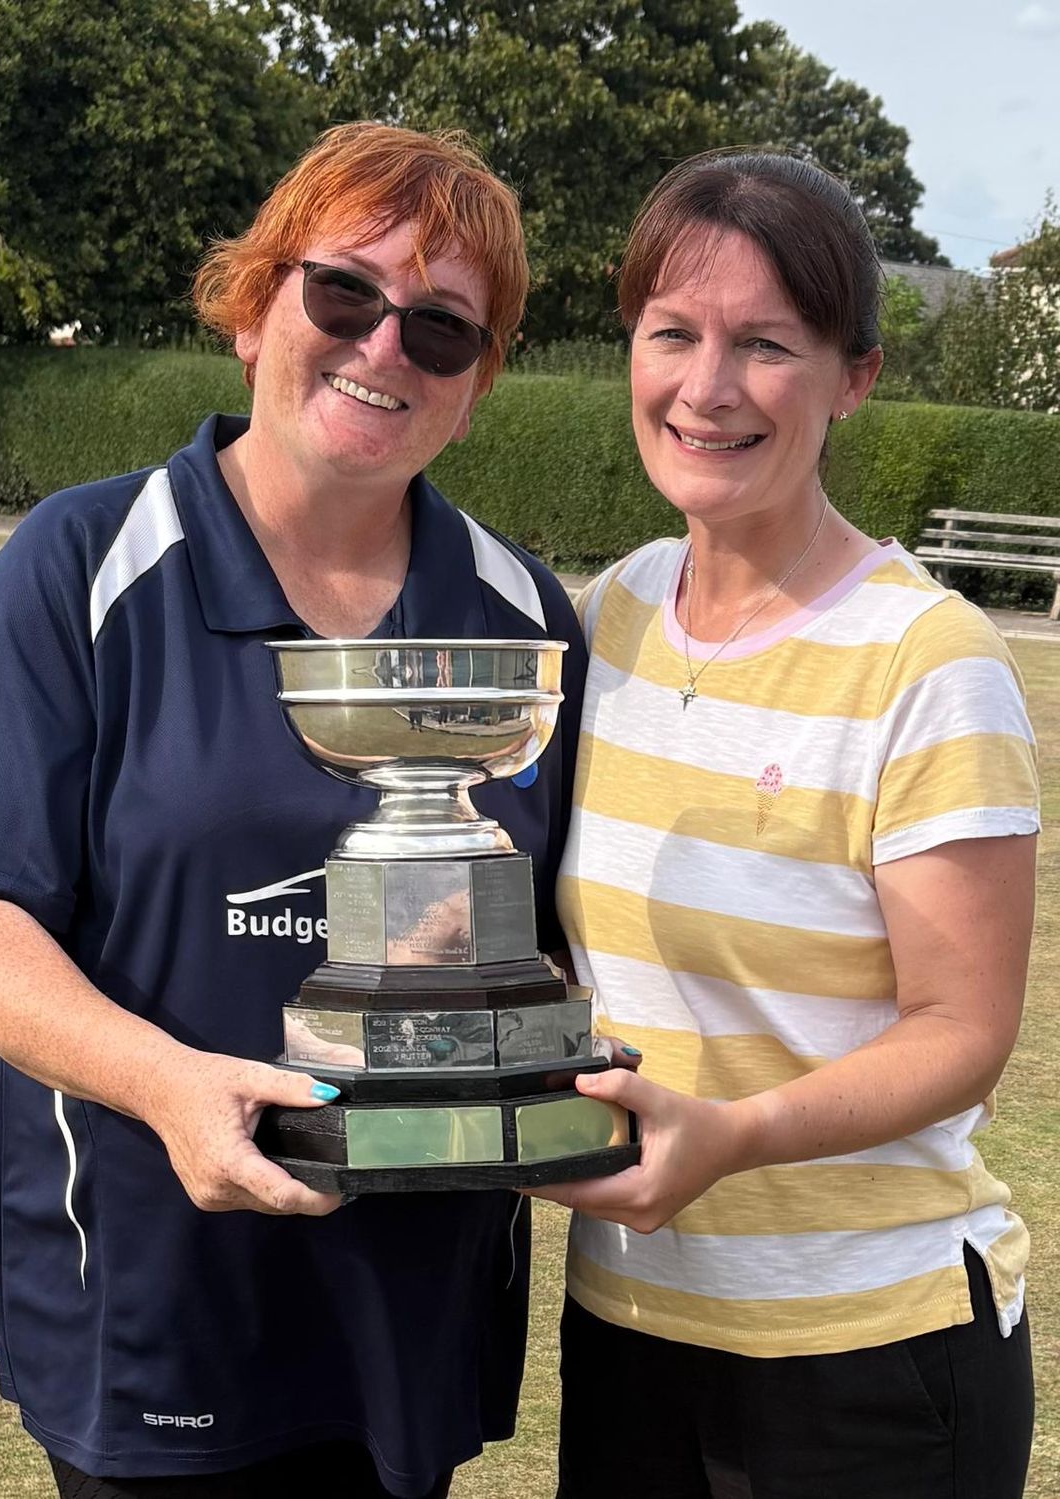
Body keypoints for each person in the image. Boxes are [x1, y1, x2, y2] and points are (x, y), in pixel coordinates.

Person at [0, 122, 588, 1499]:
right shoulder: (77, 563)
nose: (385, 350)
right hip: (154, 1295)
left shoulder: (523, 618)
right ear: (257, 306)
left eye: (443, 332)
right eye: (345, 295)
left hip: (406, 1306)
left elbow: (559, 933)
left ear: (475, 387)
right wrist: (168, 1087)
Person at [532, 152, 1040, 1498]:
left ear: (851, 378)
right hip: (632, 1323)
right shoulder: (609, 615)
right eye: (673, 334)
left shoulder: (928, 658)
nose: (707, 388)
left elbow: (964, 1033)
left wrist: (737, 1137)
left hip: (867, 1351)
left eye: (765, 345)